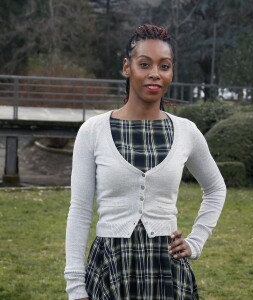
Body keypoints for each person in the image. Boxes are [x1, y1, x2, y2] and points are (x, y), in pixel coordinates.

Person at [64, 24, 226, 300]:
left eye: (164, 66)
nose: (155, 74)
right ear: (127, 67)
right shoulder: (93, 131)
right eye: (144, 64)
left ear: (172, 71)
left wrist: (196, 241)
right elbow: (80, 211)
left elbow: (215, 189)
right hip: (111, 267)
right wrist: (76, 287)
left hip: (167, 270)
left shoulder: (186, 131)